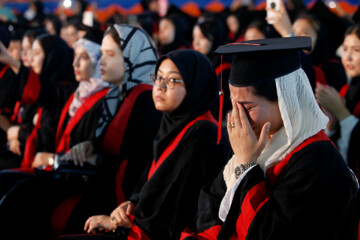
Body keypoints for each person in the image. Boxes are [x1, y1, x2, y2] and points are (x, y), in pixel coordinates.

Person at [180, 37, 357, 240]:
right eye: (233, 105)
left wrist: (247, 164)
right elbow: (209, 207)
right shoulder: (258, 142)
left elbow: (269, 233)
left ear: (285, 101)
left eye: (248, 107)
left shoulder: (317, 158)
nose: (238, 118)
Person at [0, 24, 161, 239]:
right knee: (16, 191)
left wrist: (91, 155)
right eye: (101, 54)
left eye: (109, 54)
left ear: (131, 57)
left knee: (23, 200)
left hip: (116, 195)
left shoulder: (144, 100)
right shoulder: (119, 96)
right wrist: (92, 145)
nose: (101, 61)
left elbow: (139, 162)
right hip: (95, 181)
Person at [59, 49, 231, 240]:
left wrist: (115, 222)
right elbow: (151, 182)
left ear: (195, 86)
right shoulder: (173, 123)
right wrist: (131, 204)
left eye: (173, 80)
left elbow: (171, 205)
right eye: (158, 78)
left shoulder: (202, 133)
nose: (160, 86)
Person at [315, 24, 360, 179]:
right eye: (345, 49)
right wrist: (331, 125)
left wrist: (342, 113)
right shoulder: (345, 91)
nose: (347, 57)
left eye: (356, 50)